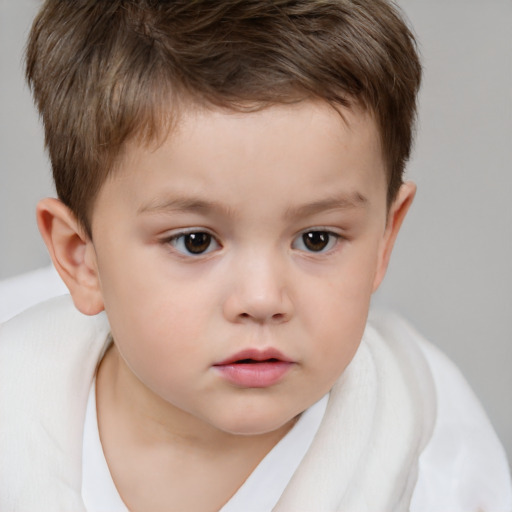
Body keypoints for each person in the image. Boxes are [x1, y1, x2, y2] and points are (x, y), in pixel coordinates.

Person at [0, 1, 510, 511]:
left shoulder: (437, 460)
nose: (263, 299)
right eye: (195, 241)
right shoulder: (15, 421)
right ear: (81, 258)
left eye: (317, 239)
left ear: (384, 238)